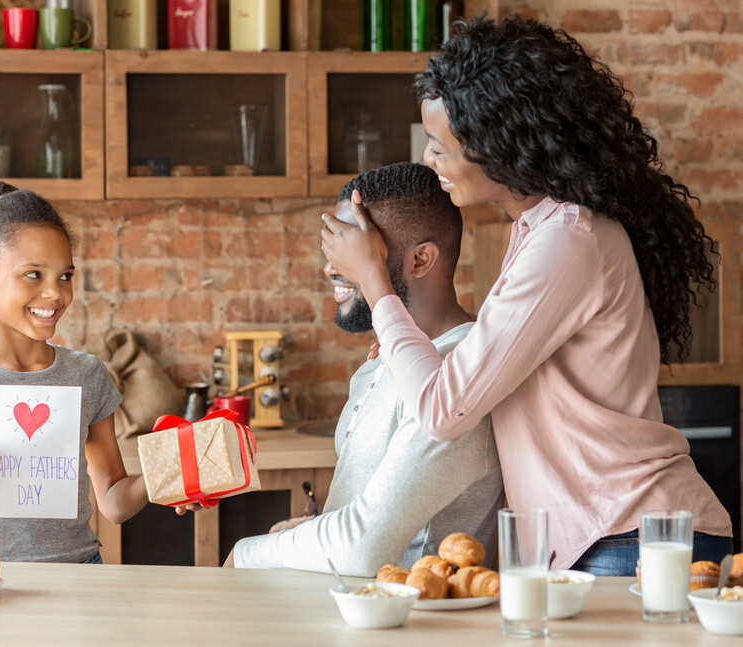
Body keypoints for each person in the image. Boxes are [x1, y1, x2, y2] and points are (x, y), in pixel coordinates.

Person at [320, 15, 732, 575]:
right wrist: (406, 337)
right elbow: (478, 374)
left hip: (630, 536)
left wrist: (375, 280)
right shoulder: (539, 231)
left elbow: (445, 409)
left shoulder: (567, 241)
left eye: (441, 146)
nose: (429, 161)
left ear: (499, 142)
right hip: (605, 538)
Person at [228, 162, 504, 576]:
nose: (330, 268)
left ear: (422, 259)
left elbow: (362, 546)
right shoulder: (384, 358)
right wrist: (294, 534)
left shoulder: (457, 375)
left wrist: (247, 553)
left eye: (358, 252)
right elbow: (362, 511)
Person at [0, 181, 152, 563]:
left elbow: (115, 502)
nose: (55, 293)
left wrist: (167, 477)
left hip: (82, 576)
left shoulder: (87, 375)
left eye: (65, 276)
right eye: (34, 274)